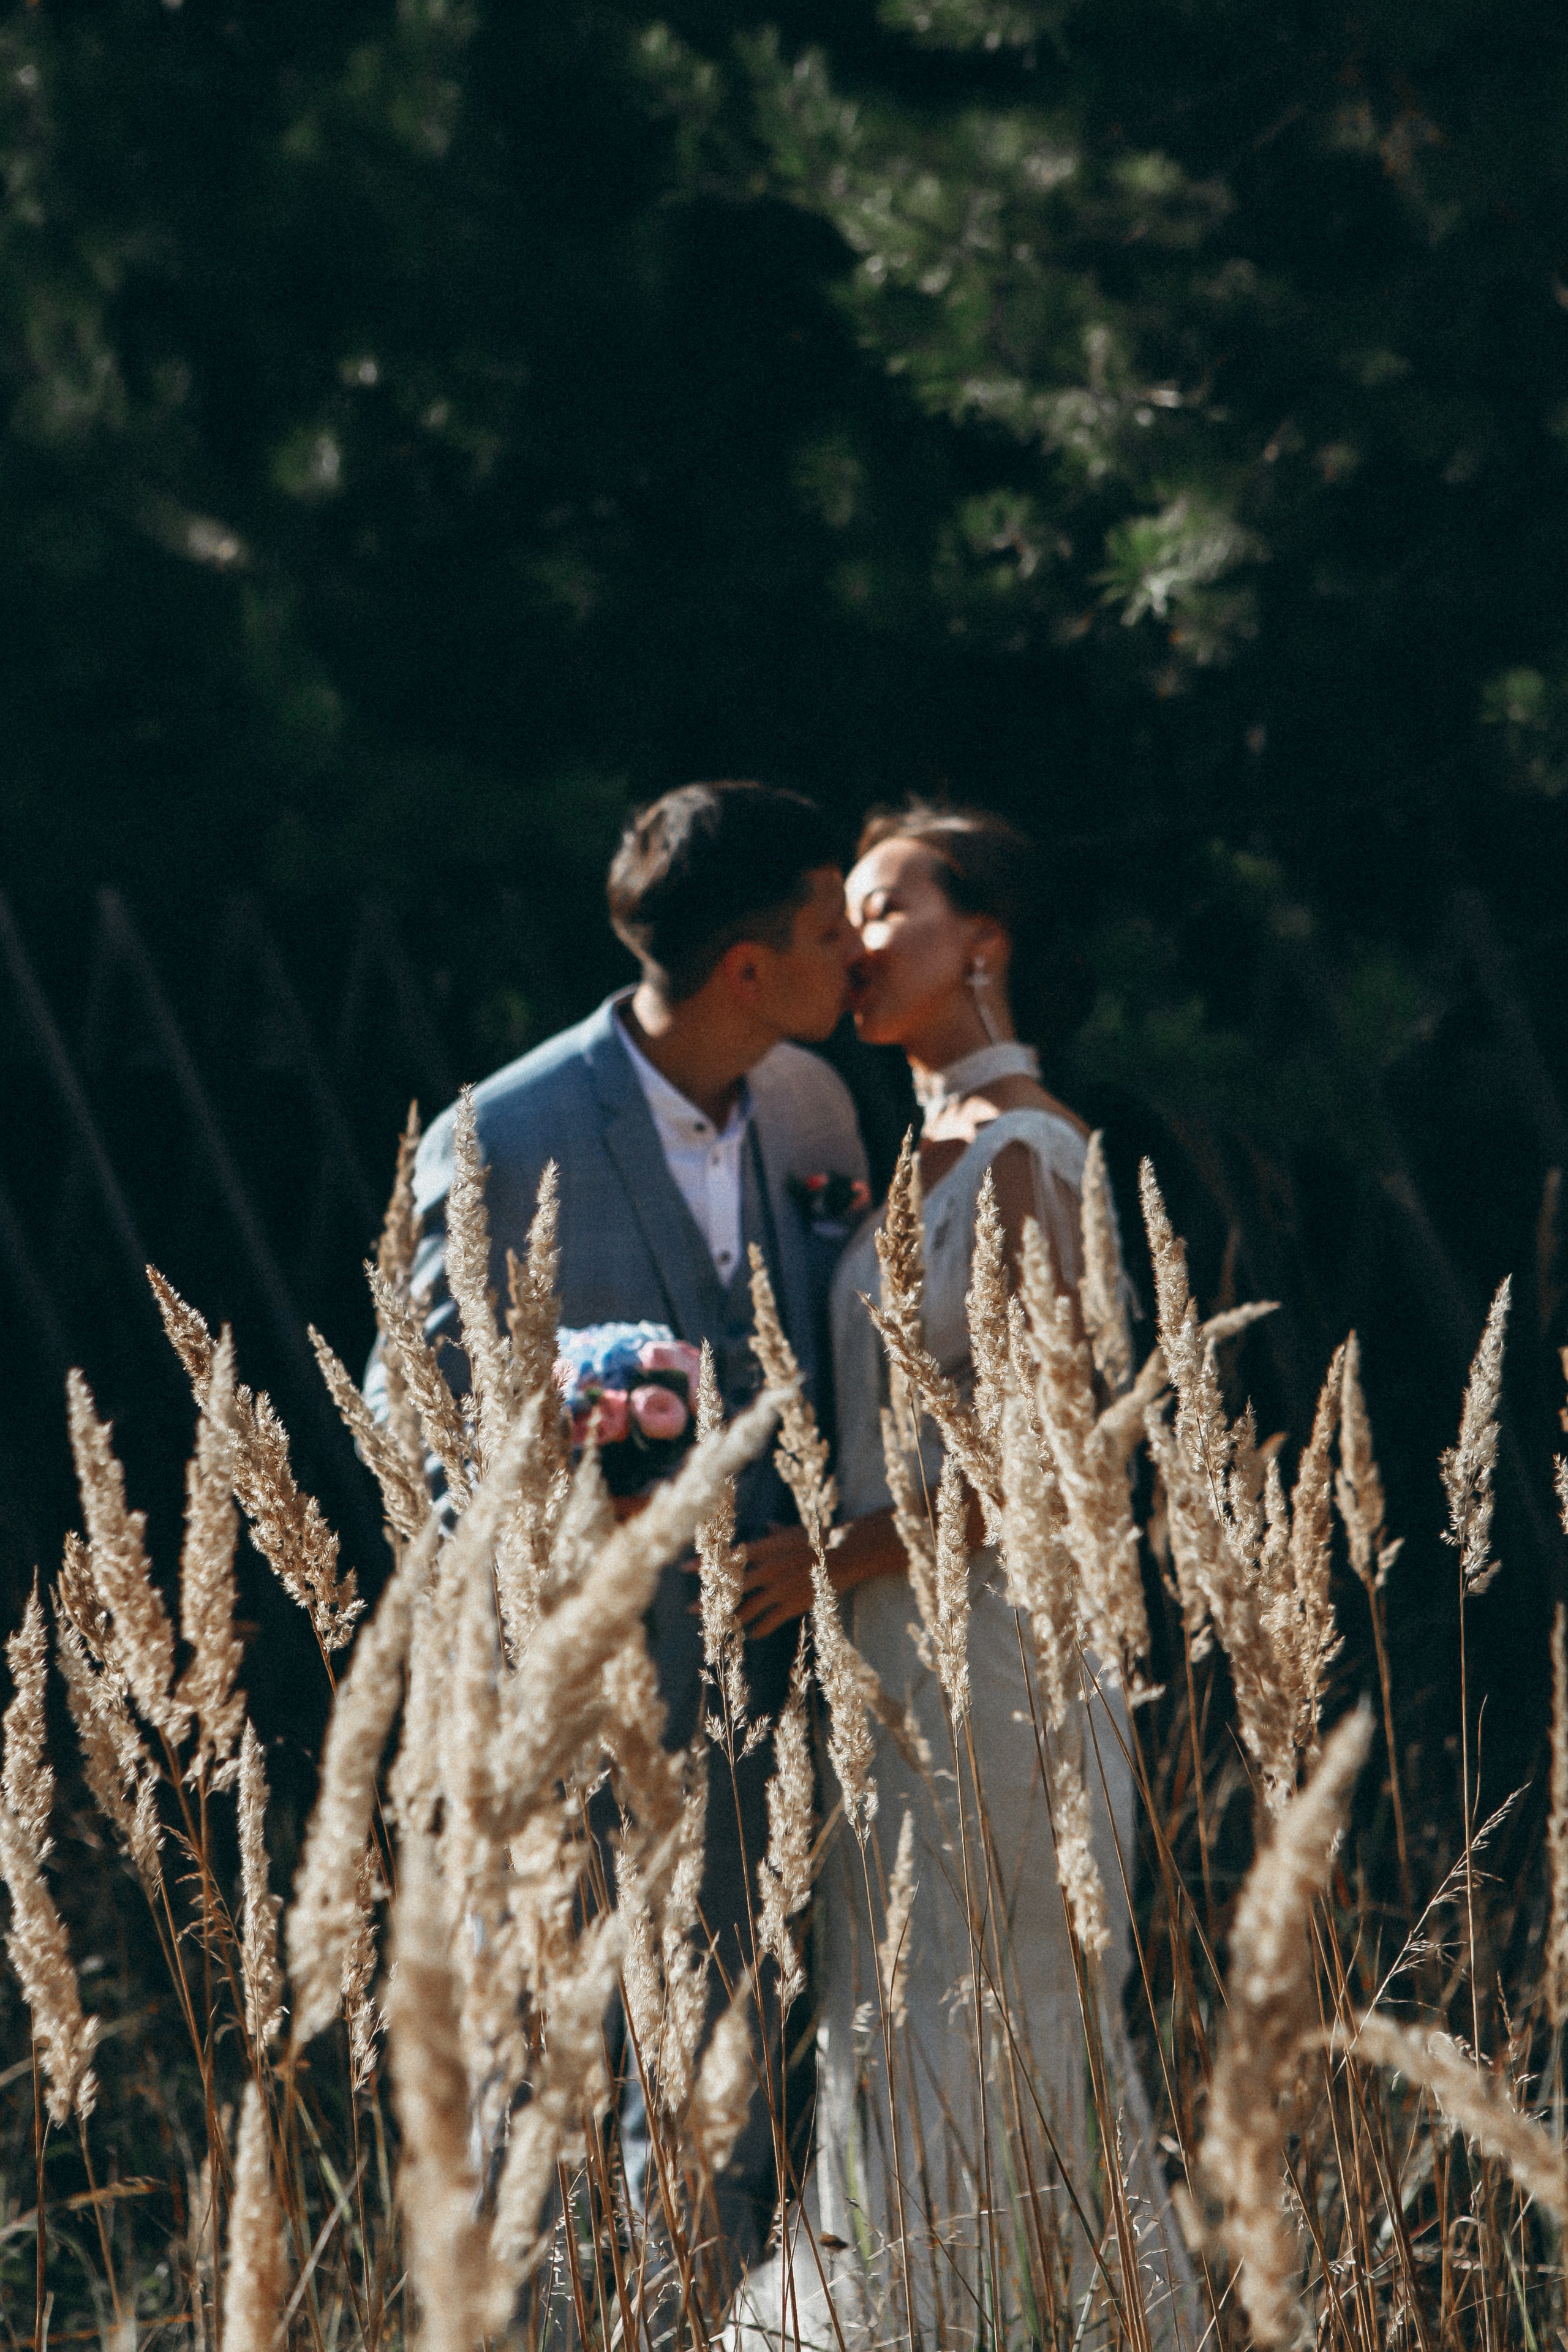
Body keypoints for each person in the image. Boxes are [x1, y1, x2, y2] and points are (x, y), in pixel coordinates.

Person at [737, 804, 1195, 2346]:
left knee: (986, 2007)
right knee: (888, 2005)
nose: (854, 942)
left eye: (885, 907)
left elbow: (1044, 1457)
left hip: (995, 1644)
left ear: (981, 939)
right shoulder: (896, 1155)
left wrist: (829, 1556)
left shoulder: (1024, 1152)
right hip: (892, 1637)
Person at [405, 780, 870, 2284]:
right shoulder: (505, 1131)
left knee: (725, 2070)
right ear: (749, 970)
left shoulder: (811, 1103)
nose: (851, 953)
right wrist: (567, 1521)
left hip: (769, 1689)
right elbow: (419, 1419)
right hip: (581, 1695)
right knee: (558, 2066)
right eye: (822, 928)